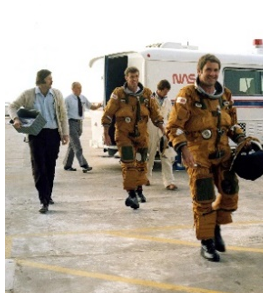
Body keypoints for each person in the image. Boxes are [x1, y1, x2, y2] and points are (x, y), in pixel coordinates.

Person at [166, 54, 251, 262]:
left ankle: (215, 227)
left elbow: (233, 123)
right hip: (198, 155)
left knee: (230, 193)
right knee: (204, 198)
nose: (212, 74)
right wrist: (183, 148)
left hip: (223, 154)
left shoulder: (225, 95)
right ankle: (207, 243)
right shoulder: (188, 94)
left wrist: (242, 138)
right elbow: (174, 127)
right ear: (199, 71)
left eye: (215, 70)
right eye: (208, 70)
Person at [101, 66, 165, 209]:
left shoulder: (147, 94)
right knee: (129, 164)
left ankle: (139, 190)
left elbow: (155, 113)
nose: (134, 79)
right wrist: (106, 132)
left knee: (141, 163)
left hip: (141, 136)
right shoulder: (118, 94)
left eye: (136, 76)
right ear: (126, 78)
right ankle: (131, 194)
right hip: (124, 136)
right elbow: (108, 113)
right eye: (131, 77)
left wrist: (162, 129)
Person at [10, 69, 68, 214]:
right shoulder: (29, 94)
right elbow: (13, 106)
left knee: (50, 166)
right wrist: (16, 118)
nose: (52, 81)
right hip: (36, 134)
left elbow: (63, 114)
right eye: (49, 79)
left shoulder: (57, 94)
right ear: (41, 80)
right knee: (38, 167)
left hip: (53, 133)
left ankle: (47, 193)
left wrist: (65, 133)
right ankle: (44, 200)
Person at [147, 79, 179, 190]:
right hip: (150, 128)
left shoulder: (168, 101)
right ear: (160, 89)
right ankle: (146, 178)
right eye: (165, 91)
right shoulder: (150, 99)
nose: (166, 94)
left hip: (164, 130)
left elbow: (170, 116)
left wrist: (170, 130)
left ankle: (169, 181)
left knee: (166, 155)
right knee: (149, 155)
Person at [63, 81, 100, 173]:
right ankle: (84, 164)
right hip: (71, 123)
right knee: (77, 145)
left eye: (81, 87)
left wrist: (99, 105)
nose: (80, 89)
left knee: (72, 145)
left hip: (80, 123)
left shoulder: (82, 98)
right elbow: (63, 113)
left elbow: (90, 106)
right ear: (73, 89)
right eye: (78, 88)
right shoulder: (67, 99)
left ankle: (67, 165)